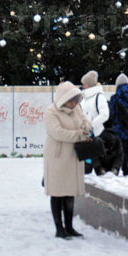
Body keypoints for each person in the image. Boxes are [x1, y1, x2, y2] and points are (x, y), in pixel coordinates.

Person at [43, 81, 91, 239]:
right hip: (57, 157)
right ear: (63, 99)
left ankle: (69, 227)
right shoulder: (51, 112)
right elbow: (57, 133)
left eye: (76, 100)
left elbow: (85, 121)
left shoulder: (76, 108)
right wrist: (79, 134)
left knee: (69, 192)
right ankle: (59, 228)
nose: (74, 103)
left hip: (73, 156)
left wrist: (86, 127)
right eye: (71, 100)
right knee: (57, 193)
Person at [108, 74, 128, 175]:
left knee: (122, 150)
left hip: (119, 128)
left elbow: (112, 113)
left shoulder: (114, 98)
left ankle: (125, 170)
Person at [80, 70, 110, 136]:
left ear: (89, 84)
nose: (82, 86)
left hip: (96, 134)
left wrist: (91, 125)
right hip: (84, 134)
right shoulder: (84, 98)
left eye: (84, 84)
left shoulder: (99, 97)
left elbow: (105, 114)